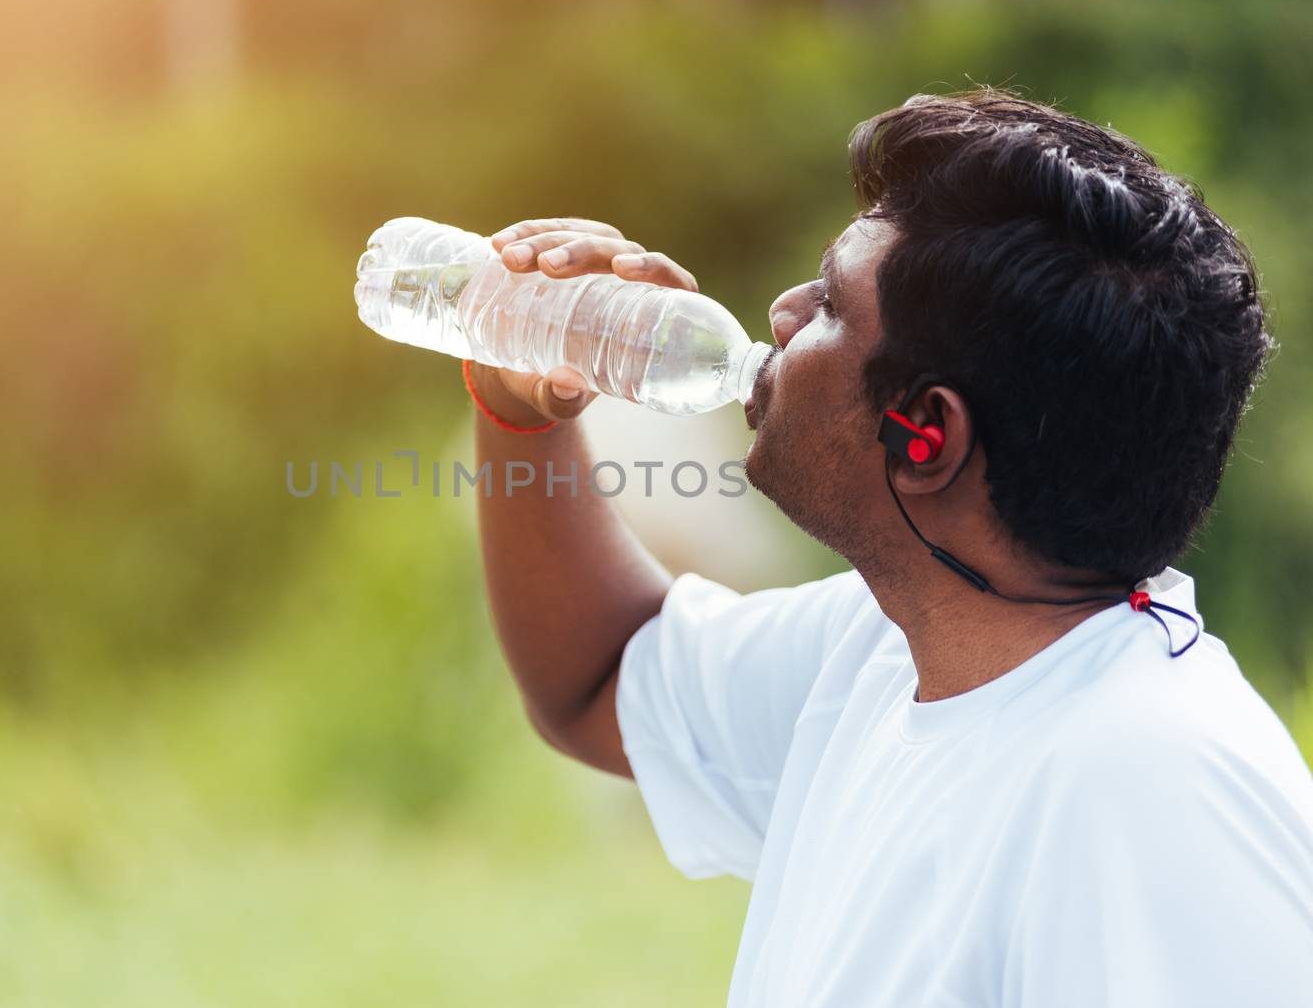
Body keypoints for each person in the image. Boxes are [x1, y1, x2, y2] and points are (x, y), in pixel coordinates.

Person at [465, 89, 1313, 1006]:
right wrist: (520, 413)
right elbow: (598, 680)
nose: (781, 312)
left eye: (830, 304)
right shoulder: (885, 648)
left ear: (926, 437)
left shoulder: (1154, 798)